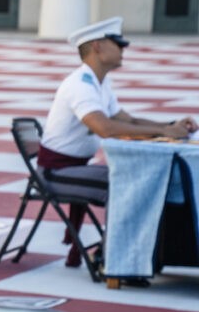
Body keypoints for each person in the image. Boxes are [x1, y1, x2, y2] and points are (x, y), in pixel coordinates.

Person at [39, 16, 197, 267]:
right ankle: (114, 257)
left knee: (135, 180)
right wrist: (164, 134)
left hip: (75, 167)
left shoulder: (99, 83)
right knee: (127, 183)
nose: (124, 49)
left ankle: (131, 253)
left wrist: (170, 127)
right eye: (118, 43)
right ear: (97, 47)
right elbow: (106, 128)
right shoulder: (80, 85)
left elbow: (128, 121)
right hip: (55, 173)